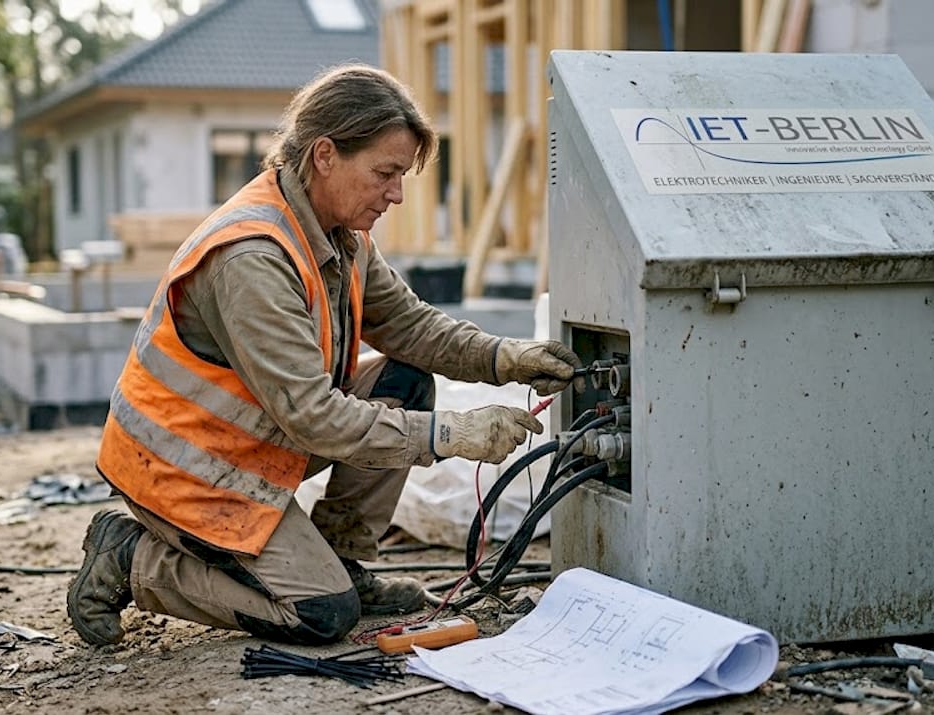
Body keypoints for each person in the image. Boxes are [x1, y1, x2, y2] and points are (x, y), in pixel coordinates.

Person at [67, 64, 582, 647]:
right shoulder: (252, 258)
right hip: (184, 471)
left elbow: (408, 326)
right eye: (385, 173)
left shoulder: (340, 232)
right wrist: (451, 435)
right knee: (320, 614)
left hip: (253, 445)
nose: (398, 193)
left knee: (406, 379)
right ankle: (132, 559)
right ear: (325, 155)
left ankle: (344, 561)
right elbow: (312, 414)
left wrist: (504, 358)